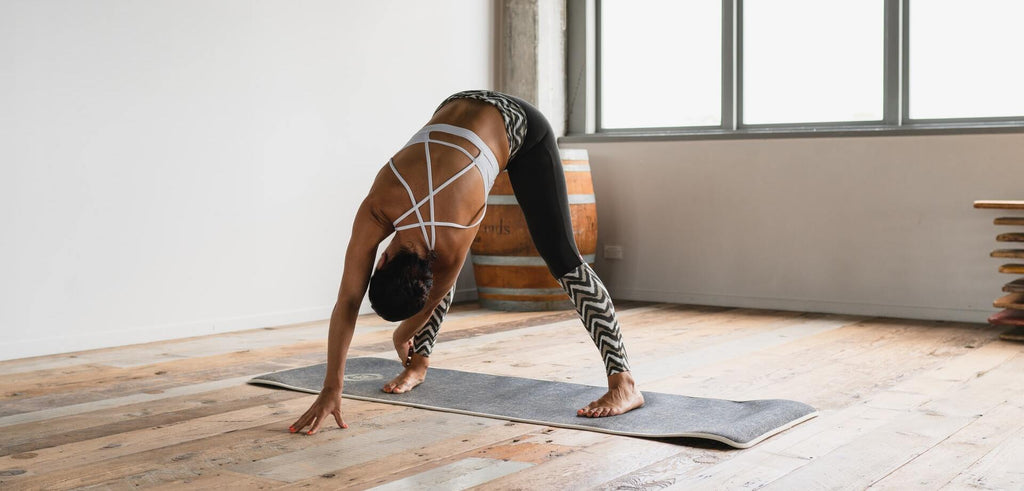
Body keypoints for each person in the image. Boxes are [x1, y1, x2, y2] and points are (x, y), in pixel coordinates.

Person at [290, 90, 644, 435]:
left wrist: (402, 334)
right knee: (445, 272)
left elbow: (421, 296)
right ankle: (419, 365)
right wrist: (331, 388)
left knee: (564, 259)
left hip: (522, 127)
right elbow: (352, 301)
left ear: (381, 258)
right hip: (460, 103)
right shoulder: (379, 206)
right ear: (382, 261)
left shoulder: (452, 232)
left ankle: (624, 382)